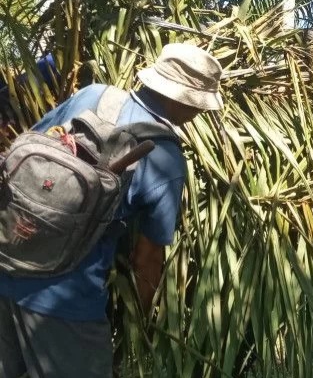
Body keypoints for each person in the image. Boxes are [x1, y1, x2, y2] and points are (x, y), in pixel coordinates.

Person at [0, 43, 224, 378]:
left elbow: (33, 142)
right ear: (184, 102)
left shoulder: (94, 95)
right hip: (67, 304)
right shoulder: (166, 158)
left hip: (7, 261)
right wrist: (141, 318)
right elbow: (146, 258)